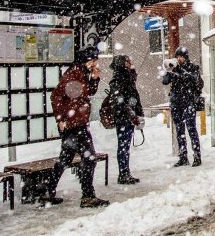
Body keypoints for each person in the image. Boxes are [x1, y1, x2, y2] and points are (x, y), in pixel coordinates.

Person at [42, 46, 109, 208]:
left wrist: (95, 78)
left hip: (77, 122)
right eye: (93, 60)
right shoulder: (74, 74)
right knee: (89, 157)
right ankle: (87, 196)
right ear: (87, 60)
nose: (95, 63)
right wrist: (61, 118)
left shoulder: (81, 73)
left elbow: (88, 93)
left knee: (65, 158)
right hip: (75, 124)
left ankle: (47, 191)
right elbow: (56, 95)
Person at [162, 47, 202, 167]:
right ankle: (183, 156)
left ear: (185, 57)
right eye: (177, 56)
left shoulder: (192, 68)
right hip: (176, 103)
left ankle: (197, 156)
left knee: (191, 129)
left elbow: (194, 81)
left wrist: (180, 70)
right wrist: (169, 70)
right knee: (179, 131)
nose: (179, 59)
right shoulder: (173, 68)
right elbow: (165, 81)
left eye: (181, 57)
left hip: (188, 102)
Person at [109, 55, 144, 184]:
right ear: (122, 64)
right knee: (123, 145)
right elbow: (119, 101)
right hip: (123, 117)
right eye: (128, 61)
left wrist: (137, 112)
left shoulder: (127, 77)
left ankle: (125, 172)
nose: (131, 63)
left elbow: (133, 96)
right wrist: (131, 113)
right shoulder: (118, 79)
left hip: (128, 116)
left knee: (125, 145)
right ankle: (123, 173)